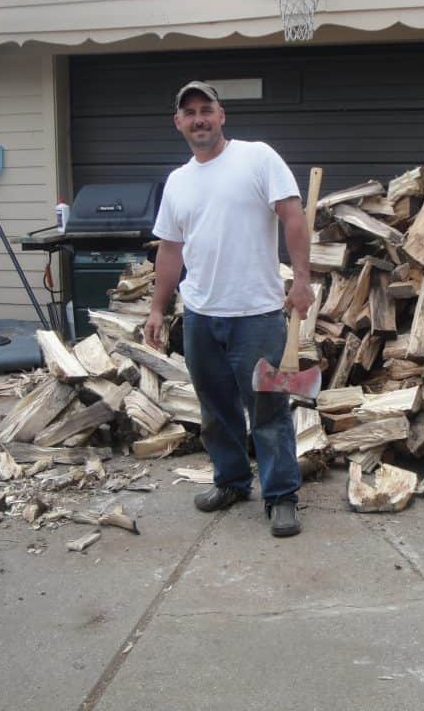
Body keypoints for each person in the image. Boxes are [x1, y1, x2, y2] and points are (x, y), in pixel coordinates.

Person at [145, 81, 314, 538]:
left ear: (221, 115)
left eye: (206, 110)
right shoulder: (178, 182)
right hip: (200, 316)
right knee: (215, 409)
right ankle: (232, 482)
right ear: (178, 123)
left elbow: (293, 215)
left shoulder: (257, 157)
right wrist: (159, 309)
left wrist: (301, 279)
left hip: (257, 315)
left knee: (268, 409)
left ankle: (281, 496)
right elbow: (169, 252)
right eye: (190, 113)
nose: (199, 119)